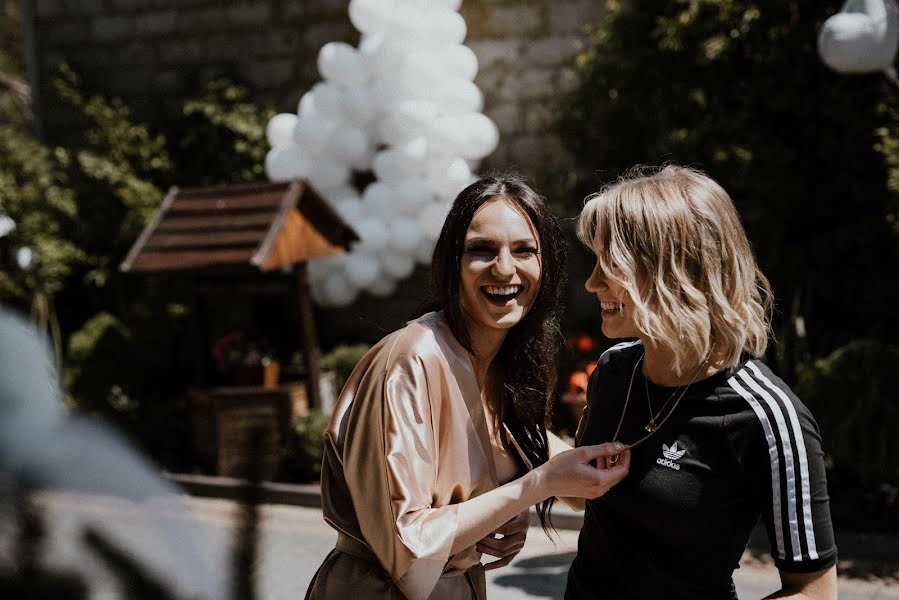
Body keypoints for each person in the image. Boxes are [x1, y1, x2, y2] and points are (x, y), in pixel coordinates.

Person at [306, 175, 631, 600]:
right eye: (481, 250)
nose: (504, 269)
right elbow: (407, 543)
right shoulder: (413, 359)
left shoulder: (498, 366)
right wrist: (533, 488)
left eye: (524, 250)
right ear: (451, 265)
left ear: (545, 265)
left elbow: (567, 477)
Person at [566, 166, 838, 600]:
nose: (592, 282)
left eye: (611, 264)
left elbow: (814, 592)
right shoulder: (613, 369)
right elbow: (588, 494)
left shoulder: (768, 416)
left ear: (677, 272)